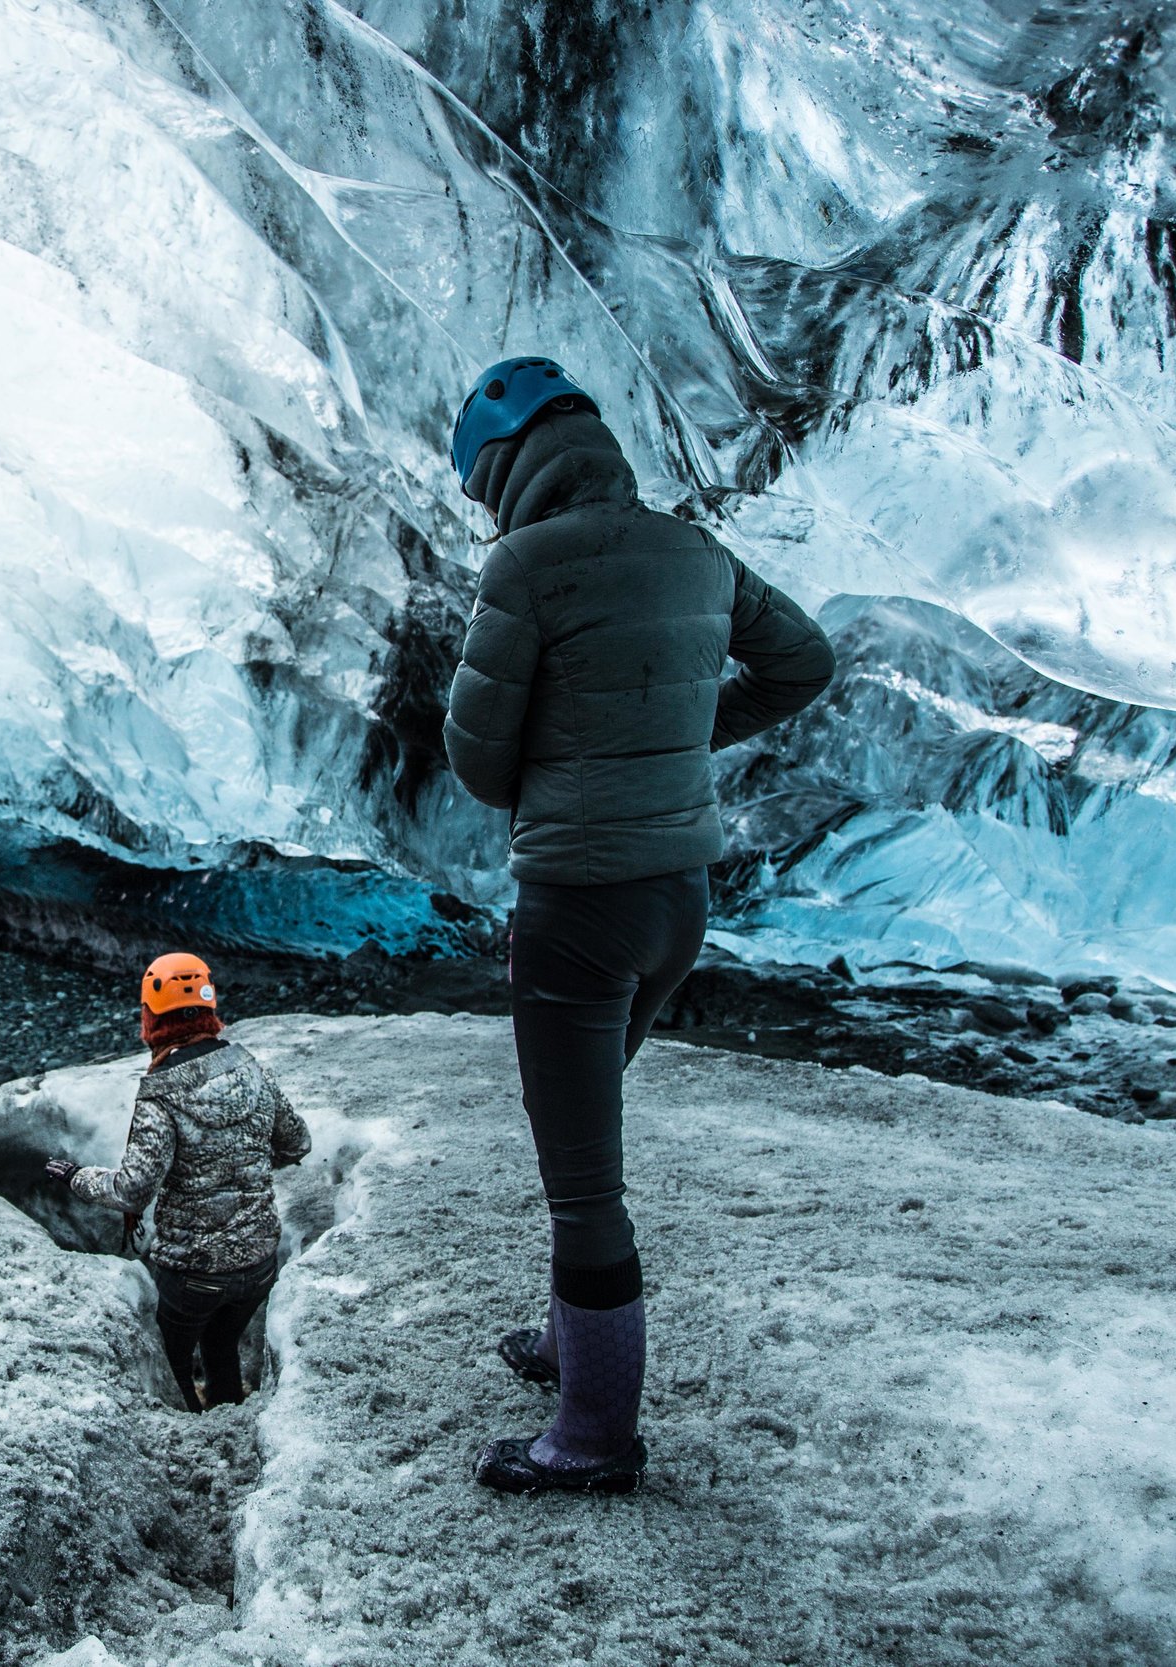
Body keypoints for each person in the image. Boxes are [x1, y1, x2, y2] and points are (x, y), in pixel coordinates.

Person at [442, 356, 834, 1494]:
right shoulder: (692, 548)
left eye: (482, 486)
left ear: (507, 468)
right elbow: (801, 660)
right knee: (581, 1141)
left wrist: (589, 746)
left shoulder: (527, 564)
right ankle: (570, 1343)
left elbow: (476, 763)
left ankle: (593, 1437)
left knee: (582, 1182)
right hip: (679, 903)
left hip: (575, 908)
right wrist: (669, 733)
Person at [44, 953, 311, 1412]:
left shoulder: (160, 1092)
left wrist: (76, 1177)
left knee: (172, 1363)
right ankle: (228, 1403)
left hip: (193, 1274)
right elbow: (297, 1142)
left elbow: (132, 1190)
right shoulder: (249, 1066)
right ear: (210, 1009)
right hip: (259, 1264)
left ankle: (193, 1421)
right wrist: (240, 1161)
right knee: (223, 1342)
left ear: (150, 1017)